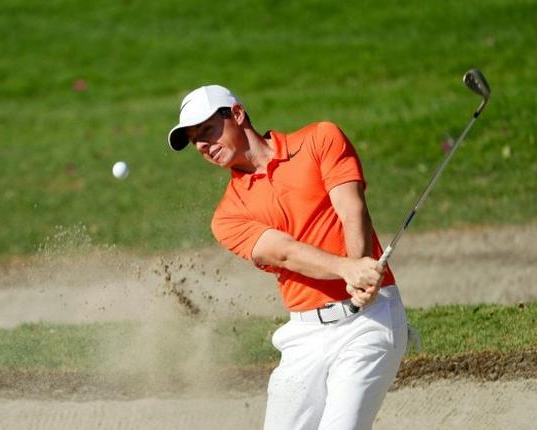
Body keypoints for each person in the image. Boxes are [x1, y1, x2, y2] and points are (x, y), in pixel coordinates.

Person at [167, 84, 408, 430]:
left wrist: (358, 271)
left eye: (207, 130)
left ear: (236, 114)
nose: (203, 145)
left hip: (370, 320)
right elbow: (284, 253)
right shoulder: (227, 217)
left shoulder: (320, 139)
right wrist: (348, 269)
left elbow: (351, 208)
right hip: (304, 335)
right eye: (195, 141)